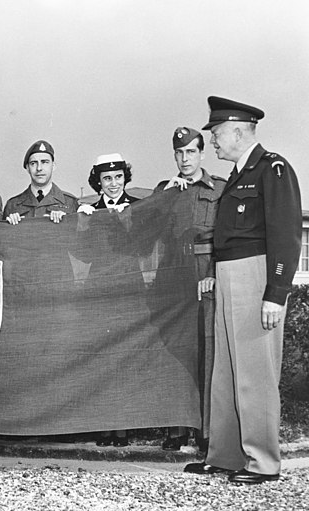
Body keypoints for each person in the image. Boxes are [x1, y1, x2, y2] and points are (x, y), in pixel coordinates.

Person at [184, 96, 302, 484]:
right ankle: (227, 455)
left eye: (216, 134)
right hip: (230, 276)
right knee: (227, 373)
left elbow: (285, 235)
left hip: (257, 278)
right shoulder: (237, 175)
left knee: (255, 373)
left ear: (237, 131)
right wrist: (218, 271)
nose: (213, 141)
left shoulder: (273, 169)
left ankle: (263, 462)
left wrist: (277, 290)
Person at [154, 128, 225, 453]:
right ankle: (177, 429)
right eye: (179, 154)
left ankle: (208, 432)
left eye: (191, 152)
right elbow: (148, 233)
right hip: (173, 277)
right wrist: (165, 196)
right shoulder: (165, 190)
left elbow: (226, 238)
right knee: (175, 353)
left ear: (201, 154)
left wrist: (212, 274)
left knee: (207, 353)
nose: (185, 159)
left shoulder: (220, 189)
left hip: (205, 275)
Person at [78, 153, 138, 447]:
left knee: (126, 356)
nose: (113, 184)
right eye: (107, 179)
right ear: (98, 182)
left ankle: (123, 428)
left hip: (129, 290)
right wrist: (84, 226)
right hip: (100, 291)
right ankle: (103, 426)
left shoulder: (139, 208)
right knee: (102, 356)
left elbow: (147, 245)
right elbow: (83, 255)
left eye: (118, 177)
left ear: (125, 177)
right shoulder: (90, 211)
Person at [4, 140, 78, 224]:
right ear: (28, 168)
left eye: (45, 162)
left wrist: (65, 222)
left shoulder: (70, 202)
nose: (39, 168)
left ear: (53, 166)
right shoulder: (13, 205)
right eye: (33, 163)